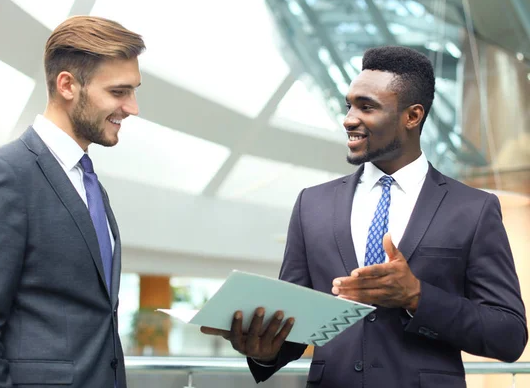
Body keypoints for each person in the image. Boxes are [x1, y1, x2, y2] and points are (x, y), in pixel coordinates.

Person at [202, 46, 527, 387]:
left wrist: (416, 295)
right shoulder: (312, 204)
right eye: (349, 105)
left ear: (412, 116)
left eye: (366, 107)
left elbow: (508, 333)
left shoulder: (472, 209)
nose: (348, 119)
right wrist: (263, 349)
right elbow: (294, 325)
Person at [0, 16, 144, 387]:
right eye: (118, 92)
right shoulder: (4, 176)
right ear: (67, 85)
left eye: (133, 91)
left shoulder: (90, 184)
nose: (132, 107)